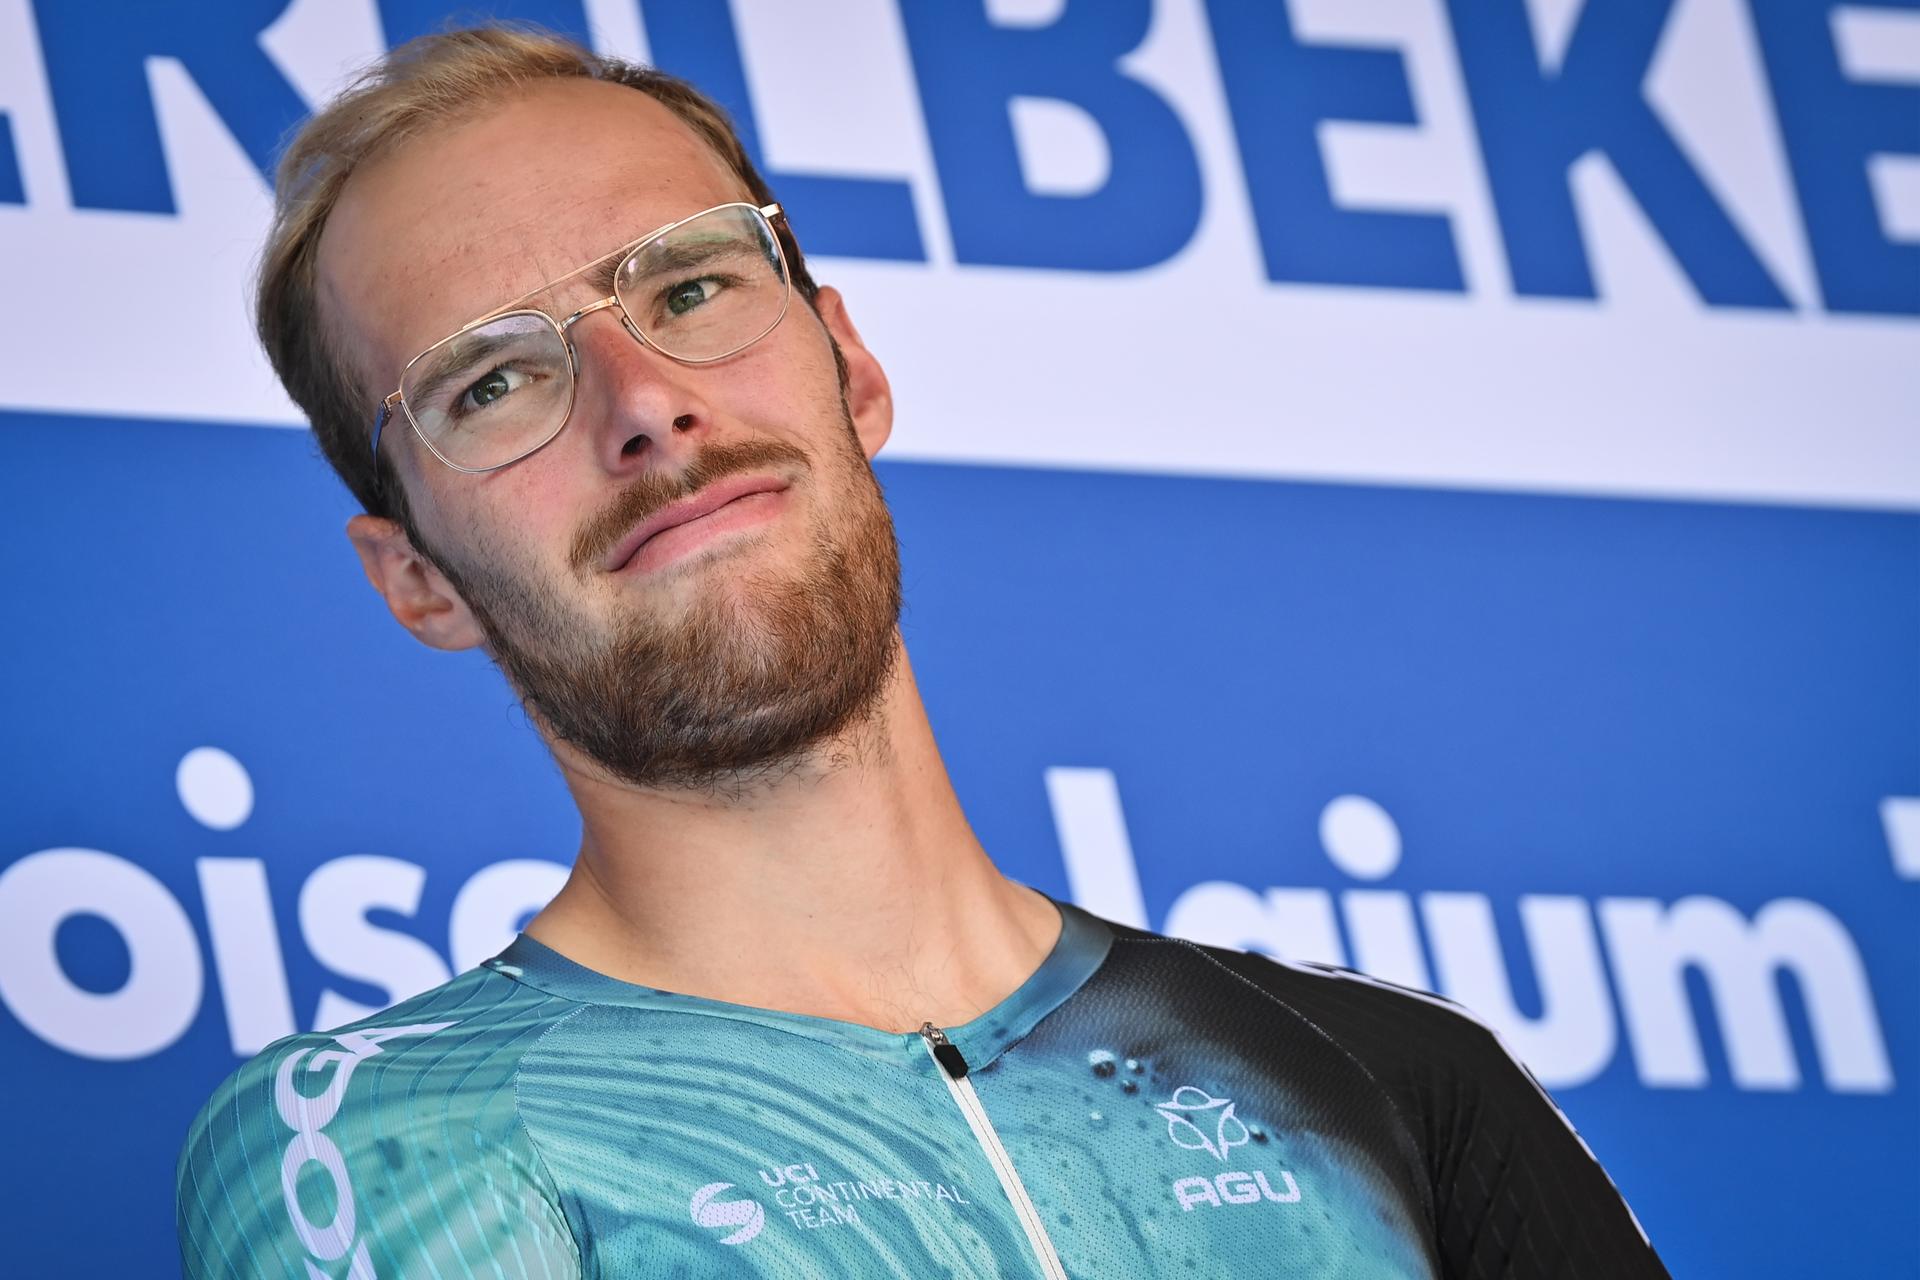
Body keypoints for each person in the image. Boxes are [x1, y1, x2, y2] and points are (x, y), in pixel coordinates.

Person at [175, 25, 1667, 1279]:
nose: (642, 405)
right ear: (416, 577)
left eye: (690, 290)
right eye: (493, 381)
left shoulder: (1389, 1076)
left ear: (852, 365)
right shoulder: (379, 1140)